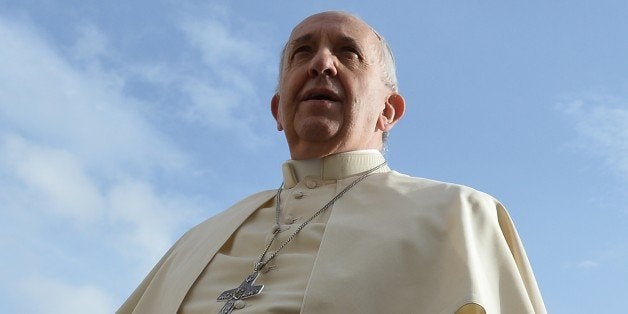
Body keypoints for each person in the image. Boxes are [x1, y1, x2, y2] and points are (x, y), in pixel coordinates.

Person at [118, 11, 546, 314]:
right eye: (302, 53)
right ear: (278, 110)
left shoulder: (459, 216)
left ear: (388, 111)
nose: (322, 63)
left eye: (348, 53)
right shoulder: (197, 241)